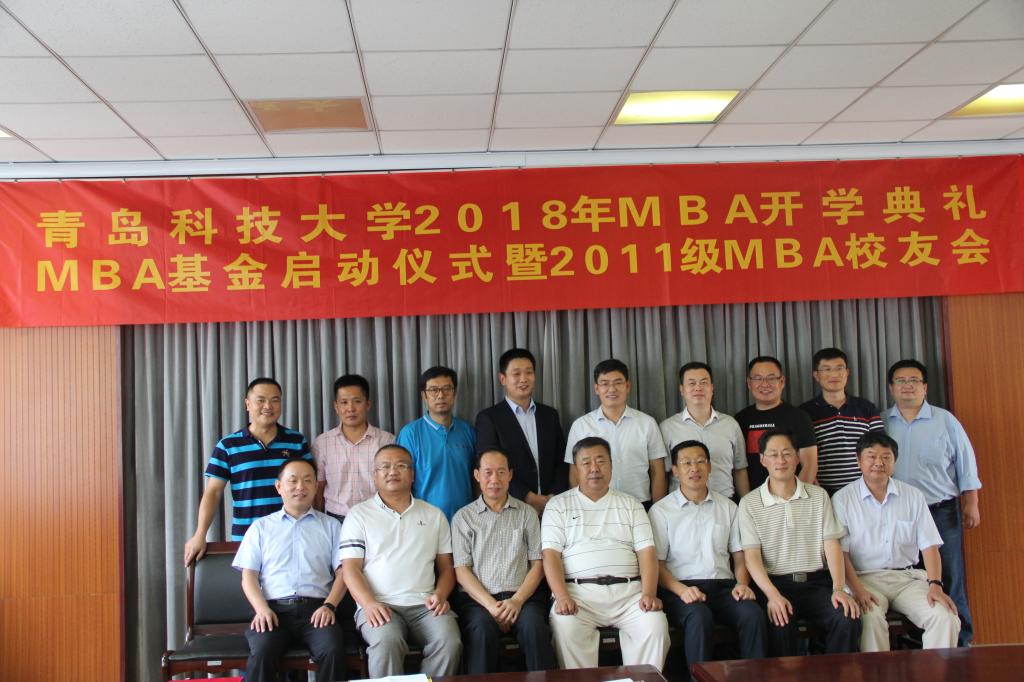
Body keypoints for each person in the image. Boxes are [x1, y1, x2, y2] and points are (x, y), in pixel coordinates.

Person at [543, 436, 670, 670]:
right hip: (579, 594)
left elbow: (647, 553)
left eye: (601, 461)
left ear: (612, 465)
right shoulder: (558, 505)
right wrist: (561, 597)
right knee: (565, 626)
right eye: (586, 463)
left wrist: (649, 593)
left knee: (654, 625)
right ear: (576, 469)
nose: (594, 468)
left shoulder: (631, 504)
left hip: (629, 595)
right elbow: (550, 556)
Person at [340, 444, 462, 677]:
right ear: (375, 475)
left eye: (400, 466)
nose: (392, 472)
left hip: (425, 605)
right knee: (387, 642)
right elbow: (350, 569)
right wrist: (369, 603)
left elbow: (447, 569)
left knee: (449, 641)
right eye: (385, 467)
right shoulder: (358, 515)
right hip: (378, 603)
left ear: (412, 474)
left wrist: (440, 594)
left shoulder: (434, 514)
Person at [832, 432, 960, 651]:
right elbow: (840, 553)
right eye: (871, 456)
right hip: (864, 579)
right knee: (870, 619)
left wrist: (935, 585)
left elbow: (929, 546)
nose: (879, 462)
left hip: (907, 580)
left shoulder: (913, 496)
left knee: (944, 616)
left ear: (894, 462)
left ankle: (936, 670)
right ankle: (878, 671)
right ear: (858, 461)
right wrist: (857, 589)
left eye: (886, 457)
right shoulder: (843, 499)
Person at [738, 429, 861, 657]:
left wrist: (839, 589)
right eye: (773, 454)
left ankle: (836, 673)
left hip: (817, 584)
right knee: (780, 621)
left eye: (787, 453)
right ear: (762, 459)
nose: (781, 460)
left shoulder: (819, 495)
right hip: (776, 584)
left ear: (797, 458)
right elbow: (751, 557)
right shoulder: (749, 503)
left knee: (846, 617)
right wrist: (772, 595)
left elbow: (832, 545)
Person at [884, 359, 982, 647]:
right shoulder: (881, 422)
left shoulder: (945, 420)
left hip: (940, 511)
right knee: (911, 580)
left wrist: (971, 502)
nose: (908, 386)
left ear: (925, 387)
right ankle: (918, 642)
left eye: (914, 380)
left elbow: (966, 463)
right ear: (891, 388)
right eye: (901, 381)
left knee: (949, 577)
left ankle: (962, 644)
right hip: (899, 514)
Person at [650, 441, 766, 677]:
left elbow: (739, 557)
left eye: (700, 461)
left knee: (752, 614)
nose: (694, 468)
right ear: (675, 470)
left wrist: (742, 584)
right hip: (680, 590)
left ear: (710, 466)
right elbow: (657, 565)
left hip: (724, 588)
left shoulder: (728, 507)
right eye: (686, 463)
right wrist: (682, 591)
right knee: (699, 617)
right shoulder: (661, 511)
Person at [232, 458, 346, 682]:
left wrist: (329, 606)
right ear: (279, 486)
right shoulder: (260, 527)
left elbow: (343, 573)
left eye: (307, 481)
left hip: (317, 611)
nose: (300, 487)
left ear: (316, 486)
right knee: (262, 652)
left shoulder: (332, 526)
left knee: (332, 650)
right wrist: (261, 609)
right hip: (273, 611)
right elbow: (249, 577)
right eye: (292, 481)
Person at [184, 377, 312, 565]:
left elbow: (311, 486)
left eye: (275, 400)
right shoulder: (228, 445)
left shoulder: (296, 441)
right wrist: (200, 534)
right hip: (246, 537)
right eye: (261, 400)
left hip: (292, 535)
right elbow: (213, 492)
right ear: (247, 404)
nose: (268, 406)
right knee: (248, 583)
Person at [451, 449, 557, 673]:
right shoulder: (463, 517)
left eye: (501, 472)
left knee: (535, 628)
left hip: (523, 597)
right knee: (481, 630)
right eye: (488, 473)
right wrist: (491, 605)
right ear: (477, 475)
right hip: (479, 601)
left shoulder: (527, 513)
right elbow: (462, 570)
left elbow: (538, 564)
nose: (494, 479)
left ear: (510, 475)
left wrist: (517, 601)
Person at [475, 348, 568, 514]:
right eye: (516, 374)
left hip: (553, 507)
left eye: (529, 372)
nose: (523, 379)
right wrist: (529, 498)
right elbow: (490, 466)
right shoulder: (489, 418)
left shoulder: (550, 415)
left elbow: (561, 461)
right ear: (503, 379)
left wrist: (553, 497)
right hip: (511, 507)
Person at [563, 359, 667, 505]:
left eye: (618, 383)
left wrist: (657, 510)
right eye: (605, 383)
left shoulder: (647, 423)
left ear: (627, 386)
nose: (612, 389)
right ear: (596, 388)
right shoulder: (581, 425)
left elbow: (657, 471)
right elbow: (575, 472)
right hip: (595, 506)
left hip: (639, 504)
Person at [312, 374, 396, 524]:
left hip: (377, 518)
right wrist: (318, 523)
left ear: (368, 404)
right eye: (344, 402)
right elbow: (318, 488)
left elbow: (393, 485)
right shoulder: (322, 443)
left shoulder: (386, 441)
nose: (350, 408)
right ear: (336, 406)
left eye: (357, 401)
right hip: (335, 520)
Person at [800, 348, 884, 496]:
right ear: (816, 375)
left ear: (847, 372)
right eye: (827, 369)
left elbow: (880, 447)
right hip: (822, 492)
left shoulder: (866, 408)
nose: (834, 374)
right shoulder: (804, 413)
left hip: (863, 491)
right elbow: (798, 454)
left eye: (839, 368)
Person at [659, 362, 749, 499]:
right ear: (682, 390)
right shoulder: (667, 428)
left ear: (712, 388)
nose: (698, 388)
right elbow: (663, 474)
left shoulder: (730, 425)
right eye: (692, 383)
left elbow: (740, 469)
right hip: (682, 506)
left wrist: (745, 505)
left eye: (704, 382)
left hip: (725, 504)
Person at [397, 366, 476, 521]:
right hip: (424, 521)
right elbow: (401, 482)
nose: (441, 395)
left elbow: (477, 478)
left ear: (454, 393)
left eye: (446, 389)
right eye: (433, 390)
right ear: (424, 396)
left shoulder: (468, 431)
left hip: (466, 520)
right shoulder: (410, 434)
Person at [735, 356, 817, 489]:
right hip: (754, 497)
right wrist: (747, 499)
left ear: (782, 381)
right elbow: (739, 468)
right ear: (749, 383)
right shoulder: (740, 419)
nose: (765, 384)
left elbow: (810, 465)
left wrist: (798, 497)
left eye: (771, 378)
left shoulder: (799, 417)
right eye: (758, 378)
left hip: (791, 496)